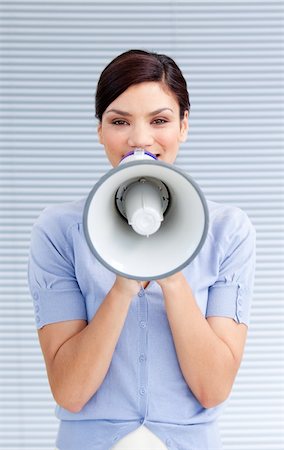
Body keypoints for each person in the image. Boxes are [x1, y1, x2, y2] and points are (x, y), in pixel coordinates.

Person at [28, 49, 256, 450]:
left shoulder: (228, 231)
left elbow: (213, 388)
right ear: (99, 130)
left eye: (160, 120)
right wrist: (123, 283)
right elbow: (70, 392)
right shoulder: (59, 230)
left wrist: (169, 269)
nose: (139, 139)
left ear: (184, 125)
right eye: (119, 121)